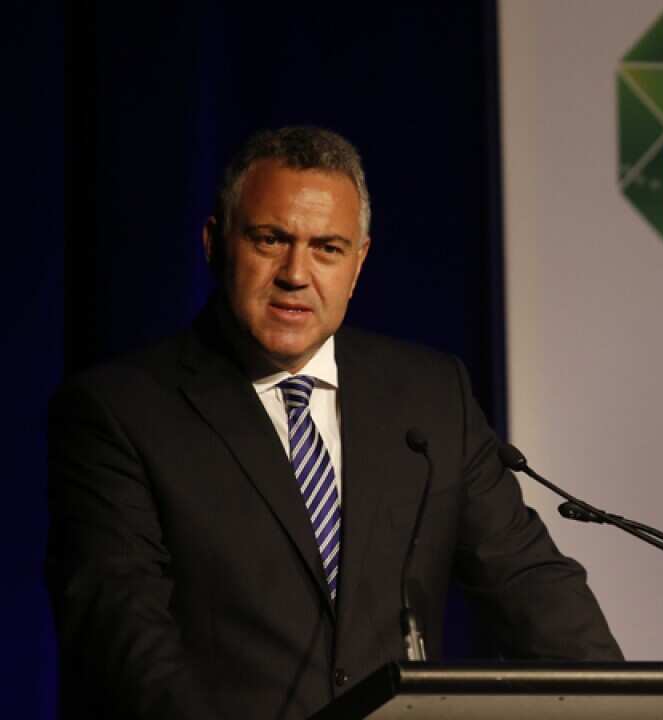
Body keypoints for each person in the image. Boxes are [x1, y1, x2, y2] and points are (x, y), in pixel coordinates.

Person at [46, 126, 622, 720]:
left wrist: (625, 708)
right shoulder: (121, 411)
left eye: (327, 248)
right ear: (215, 244)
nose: (297, 273)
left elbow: (529, 586)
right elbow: (122, 633)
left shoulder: (427, 397)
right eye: (271, 240)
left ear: (359, 262)